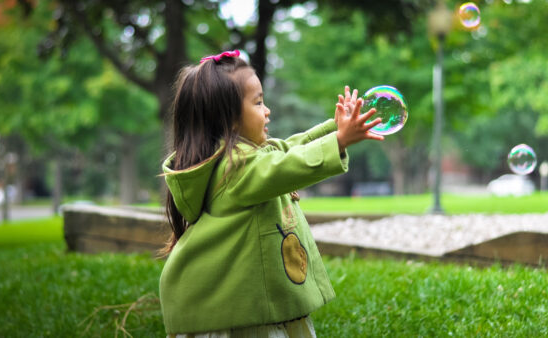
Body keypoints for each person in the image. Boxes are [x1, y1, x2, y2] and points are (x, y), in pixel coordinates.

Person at [159, 50, 384, 337]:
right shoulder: (235, 169)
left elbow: (288, 149)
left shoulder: (245, 157)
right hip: (246, 320)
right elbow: (287, 165)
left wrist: (334, 130)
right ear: (229, 119)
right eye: (258, 102)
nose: (267, 110)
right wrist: (338, 140)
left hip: (253, 308)